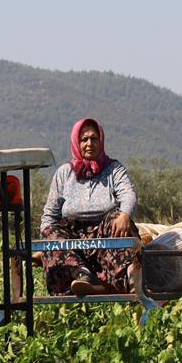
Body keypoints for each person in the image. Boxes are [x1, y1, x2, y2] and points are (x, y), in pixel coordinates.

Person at [40, 117, 140, 295]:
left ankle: (131, 280)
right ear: (76, 143)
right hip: (72, 239)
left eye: (94, 139)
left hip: (104, 236)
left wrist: (125, 214)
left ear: (101, 141)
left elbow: (128, 194)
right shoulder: (64, 172)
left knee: (118, 219)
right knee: (51, 231)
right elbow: (50, 214)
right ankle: (83, 276)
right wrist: (45, 245)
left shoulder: (113, 169)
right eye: (84, 139)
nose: (89, 144)